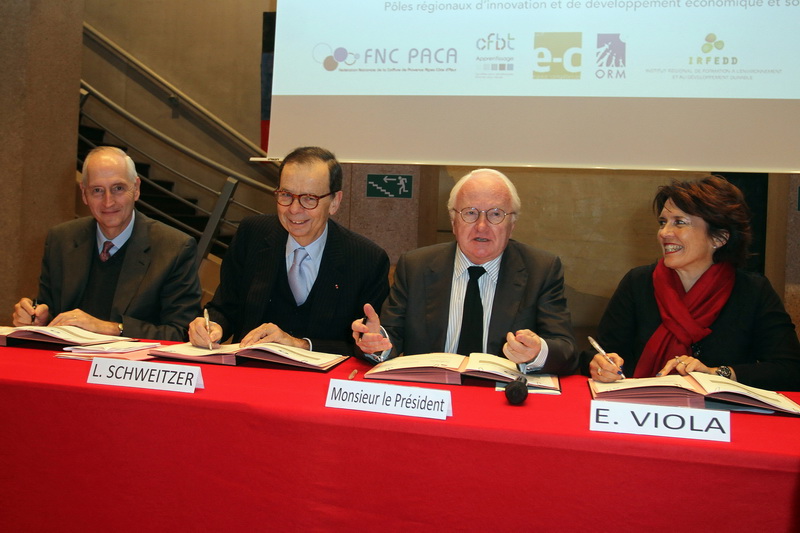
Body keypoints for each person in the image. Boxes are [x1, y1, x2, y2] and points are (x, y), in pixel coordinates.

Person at [352, 168, 577, 375]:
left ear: (512, 224)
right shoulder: (416, 266)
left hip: (502, 397)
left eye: (496, 214)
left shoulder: (541, 269)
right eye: (470, 213)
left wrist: (537, 352)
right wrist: (376, 341)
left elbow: (565, 349)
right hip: (432, 397)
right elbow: (392, 337)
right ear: (453, 221)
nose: (481, 226)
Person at [588, 174, 800, 391]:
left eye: (679, 222)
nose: (664, 233)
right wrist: (600, 365)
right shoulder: (638, 282)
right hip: (640, 413)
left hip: (721, 417)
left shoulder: (753, 291)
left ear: (719, 238)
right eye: (663, 222)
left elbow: (790, 370)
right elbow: (601, 353)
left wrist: (716, 374)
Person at [189, 146, 389, 355]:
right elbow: (225, 307)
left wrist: (300, 344)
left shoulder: (367, 260)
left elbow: (364, 348)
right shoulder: (252, 235)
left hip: (322, 382)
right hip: (250, 372)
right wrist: (212, 325)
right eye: (286, 195)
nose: (294, 209)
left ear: (334, 202)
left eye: (309, 198)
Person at [12, 146, 202, 341]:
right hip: (67, 362)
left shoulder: (175, 248)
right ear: (84, 194)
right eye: (97, 191)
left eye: (118, 188)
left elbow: (181, 332)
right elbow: (50, 310)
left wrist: (110, 328)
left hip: (132, 369)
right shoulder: (61, 239)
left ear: (136, 189)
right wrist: (36, 317)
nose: (108, 202)